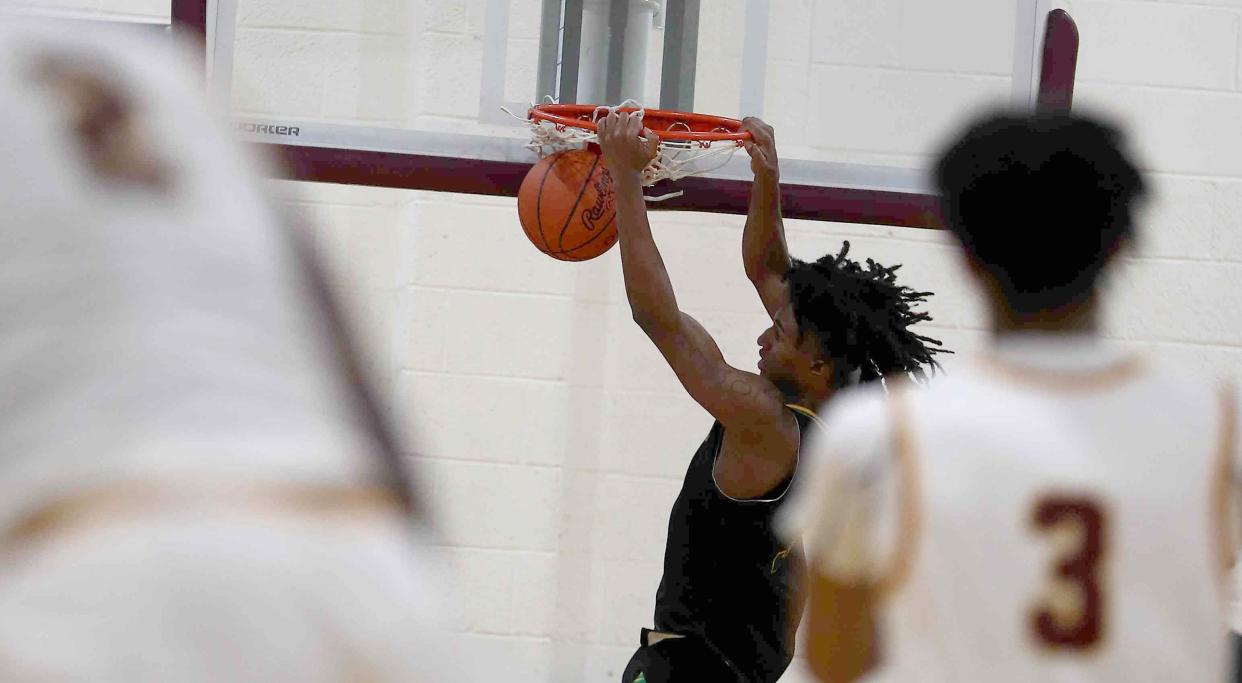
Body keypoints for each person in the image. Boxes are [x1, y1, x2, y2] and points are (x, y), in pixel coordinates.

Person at [0, 21, 480, 682]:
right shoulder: (162, 73)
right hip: (346, 545)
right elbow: (339, 347)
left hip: (92, 563)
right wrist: (410, 576)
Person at [776, 110, 1240, 683]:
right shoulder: (1212, 427)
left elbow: (836, 660)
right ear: (1121, 249)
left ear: (964, 256)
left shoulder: (875, 435)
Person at [596, 111, 945, 683]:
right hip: (741, 661)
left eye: (778, 333)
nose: (762, 334)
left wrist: (626, 181)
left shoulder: (764, 420)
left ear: (814, 361)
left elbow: (656, 318)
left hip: (693, 667)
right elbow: (771, 270)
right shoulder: (849, 387)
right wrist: (767, 178)